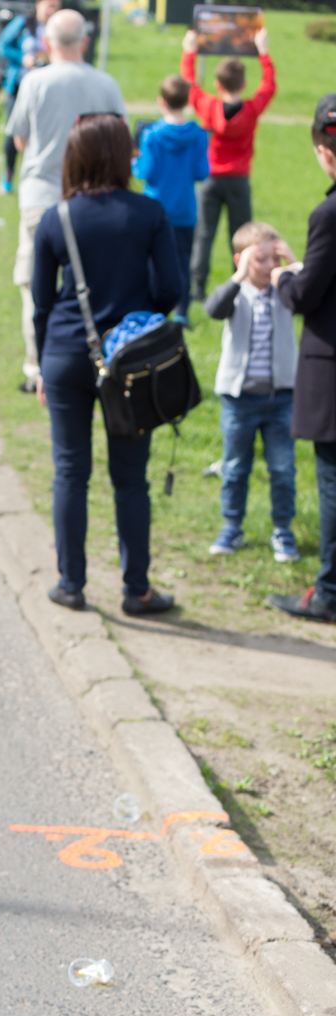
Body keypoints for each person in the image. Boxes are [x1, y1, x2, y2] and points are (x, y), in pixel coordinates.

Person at [31, 115, 183, 616]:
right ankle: (137, 590)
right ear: (122, 156)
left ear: (74, 156)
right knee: (131, 478)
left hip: (64, 355)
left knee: (70, 471)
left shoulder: (56, 218)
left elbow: (41, 302)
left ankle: (70, 584)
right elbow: (171, 289)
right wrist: (139, 318)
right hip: (130, 361)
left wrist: (42, 366)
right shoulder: (149, 212)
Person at [3, 8, 122, 390]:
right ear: (85, 42)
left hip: (41, 194)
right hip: (92, 197)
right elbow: (119, 139)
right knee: (91, 281)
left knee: (34, 285)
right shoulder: (105, 83)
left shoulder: (34, 82)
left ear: (47, 42)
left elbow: (20, 139)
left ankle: (37, 366)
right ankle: (96, 357)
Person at [268, 94, 336, 623]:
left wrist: (283, 277)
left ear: (324, 151)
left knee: (331, 482)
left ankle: (329, 591)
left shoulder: (328, 214)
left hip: (330, 364)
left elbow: (306, 295)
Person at [202, 222, 299, 561]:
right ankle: (232, 526)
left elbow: (310, 294)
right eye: (261, 259)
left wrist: (292, 263)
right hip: (238, 400)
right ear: (241, 260)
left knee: (283, 469)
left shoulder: (286, 291)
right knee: (235, 467)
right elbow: (213, 308)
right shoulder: (236, 293)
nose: (270, 266)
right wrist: (239, 275)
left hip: (280, 399)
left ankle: (283, 529)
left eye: (275, 258)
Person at [182, 27, 274, 306]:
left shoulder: (209, 106)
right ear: (243, 84)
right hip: (238, 180)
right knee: (242, 235)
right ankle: (243, 281)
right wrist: (264, 52)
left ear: (218, 85)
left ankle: (198, 287)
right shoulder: (251, 109)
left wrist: (189, 51)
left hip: (210, 178)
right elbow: (269, 86)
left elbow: (190, 85)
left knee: (204, 234)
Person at [134, 74, 210, 327]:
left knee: (153, 261)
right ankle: (182, 311)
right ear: (187, 102)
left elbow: (145, 172)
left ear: (161, 101)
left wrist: (134, 162)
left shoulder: (151, 135)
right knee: (182, 261)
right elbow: (201, 172)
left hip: (155, 209)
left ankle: (155, 310)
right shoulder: (198, 135)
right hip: (185, 210)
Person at [0, 0, 58, 195]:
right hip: (19, 87)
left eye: (56, 6)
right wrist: (23, 58)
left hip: (46, 90)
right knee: (13, 133)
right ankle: (8, 173)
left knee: (40, 135)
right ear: (38, 4)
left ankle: (34, 177)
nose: (51, 10)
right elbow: (1, 46)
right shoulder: (23, 23)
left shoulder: (58, 28)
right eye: (49, 5)